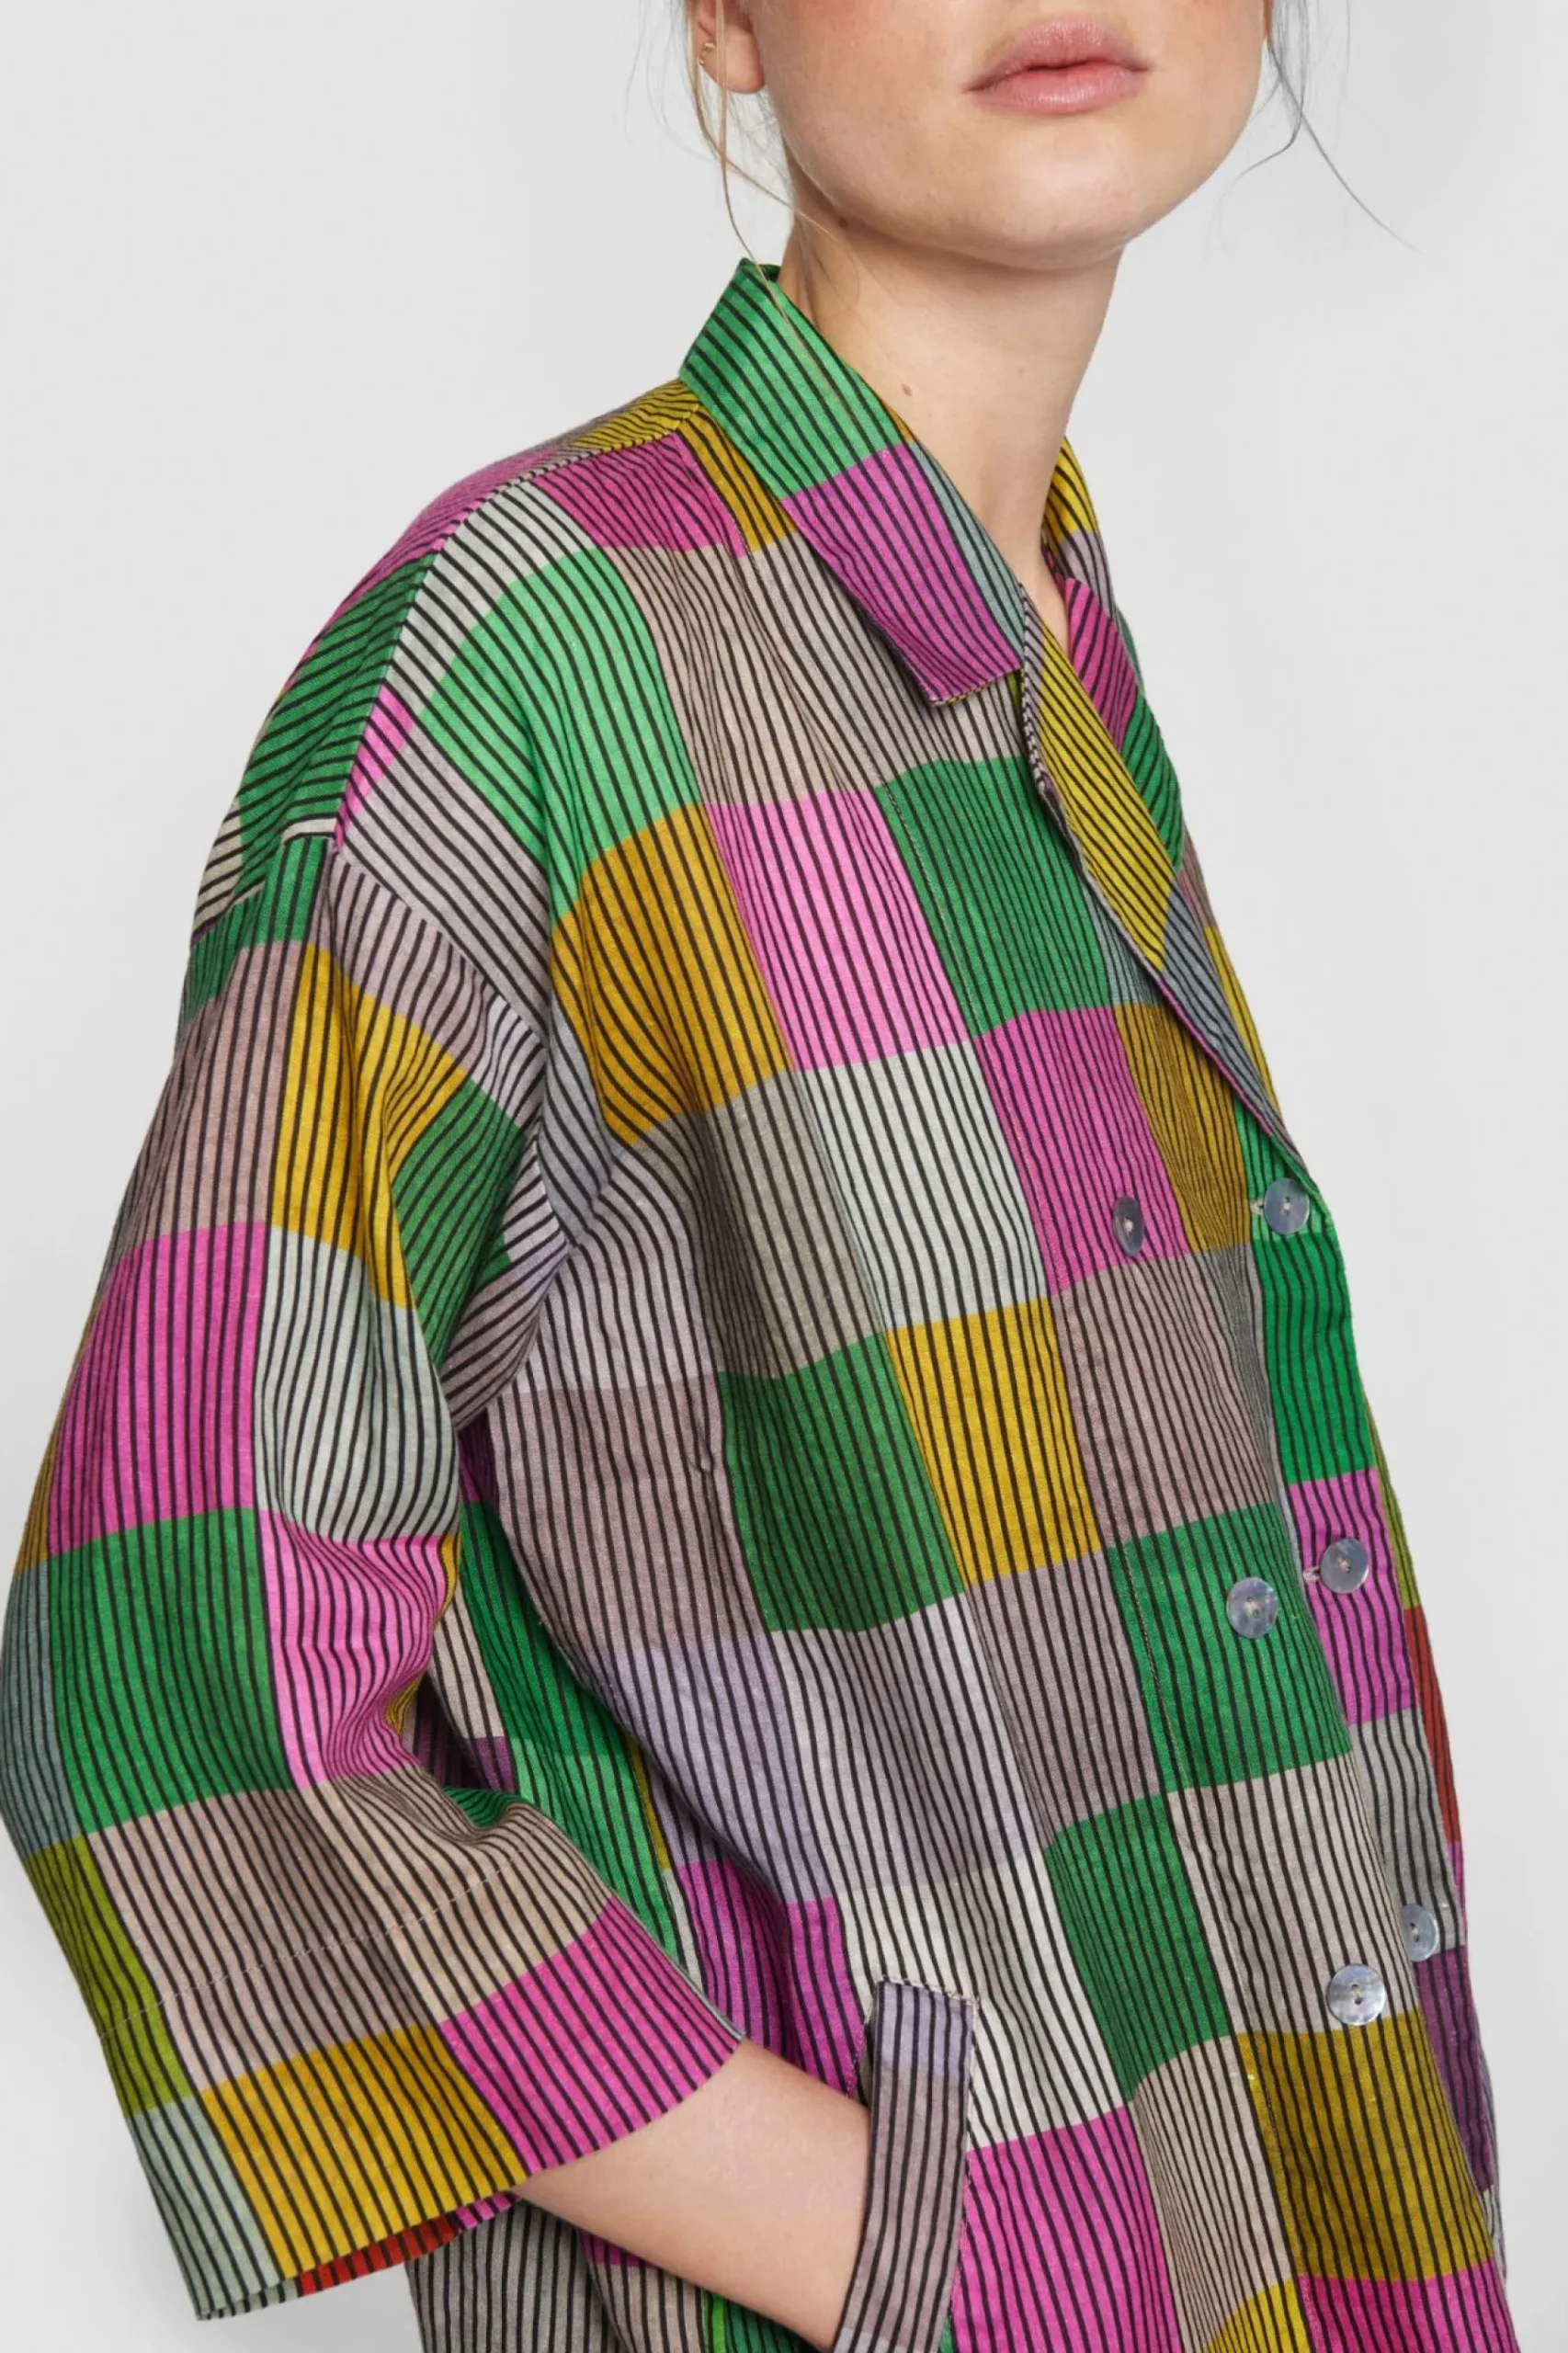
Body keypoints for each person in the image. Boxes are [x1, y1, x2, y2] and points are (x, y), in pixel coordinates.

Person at [0, 4, 1517, 2351]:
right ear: (723, 14)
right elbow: (167, 1656)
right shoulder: (535, 658)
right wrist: (916, 2245)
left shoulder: (1049, 639)